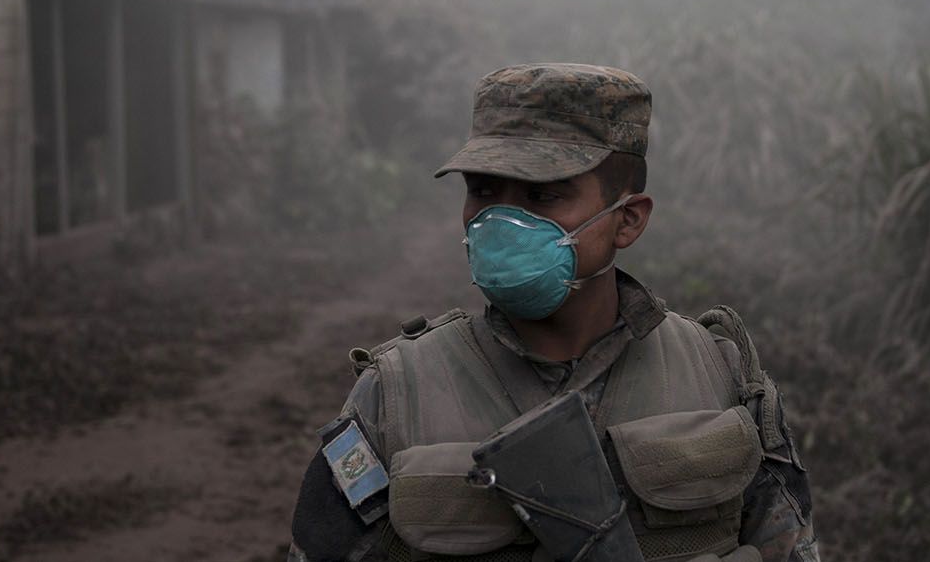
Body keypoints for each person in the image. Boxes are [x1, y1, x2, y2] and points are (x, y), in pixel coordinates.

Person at [289, 63, 819, 562]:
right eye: (484, 190)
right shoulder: (395, 396)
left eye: (543, 195)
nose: (501, 220)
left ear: (628, 220)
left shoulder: (718, 374)